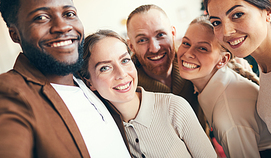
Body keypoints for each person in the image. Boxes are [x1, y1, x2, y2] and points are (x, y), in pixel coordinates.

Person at [0, 0, 131, 158]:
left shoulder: (88, 79)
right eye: (41, 17)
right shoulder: (9, 92)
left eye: (69, 13)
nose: (63, 26)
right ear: (14, 34)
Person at [78, 29, 217, 158]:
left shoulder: (174, 107)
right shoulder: (102, 130)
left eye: (125, 60)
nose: (121, 74)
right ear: (89, 82)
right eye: (105, 68)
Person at [177, 15, 271, 158]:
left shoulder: (227, 117)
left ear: (222, 60)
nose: (188, 53)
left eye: (203, 48)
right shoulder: (218, 80)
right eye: (186, 43)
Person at [203, 0, 271, 149]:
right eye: (216, 22)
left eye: (237, 14)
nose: (226, 31)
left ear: (268, 12)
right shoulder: (266, 66)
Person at [126, 4, 207, 131]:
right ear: (131, 46)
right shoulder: (128, 89)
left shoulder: (195, 62)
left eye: (160, 35)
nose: (154, 48)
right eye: (142, 40)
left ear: (173, 33)